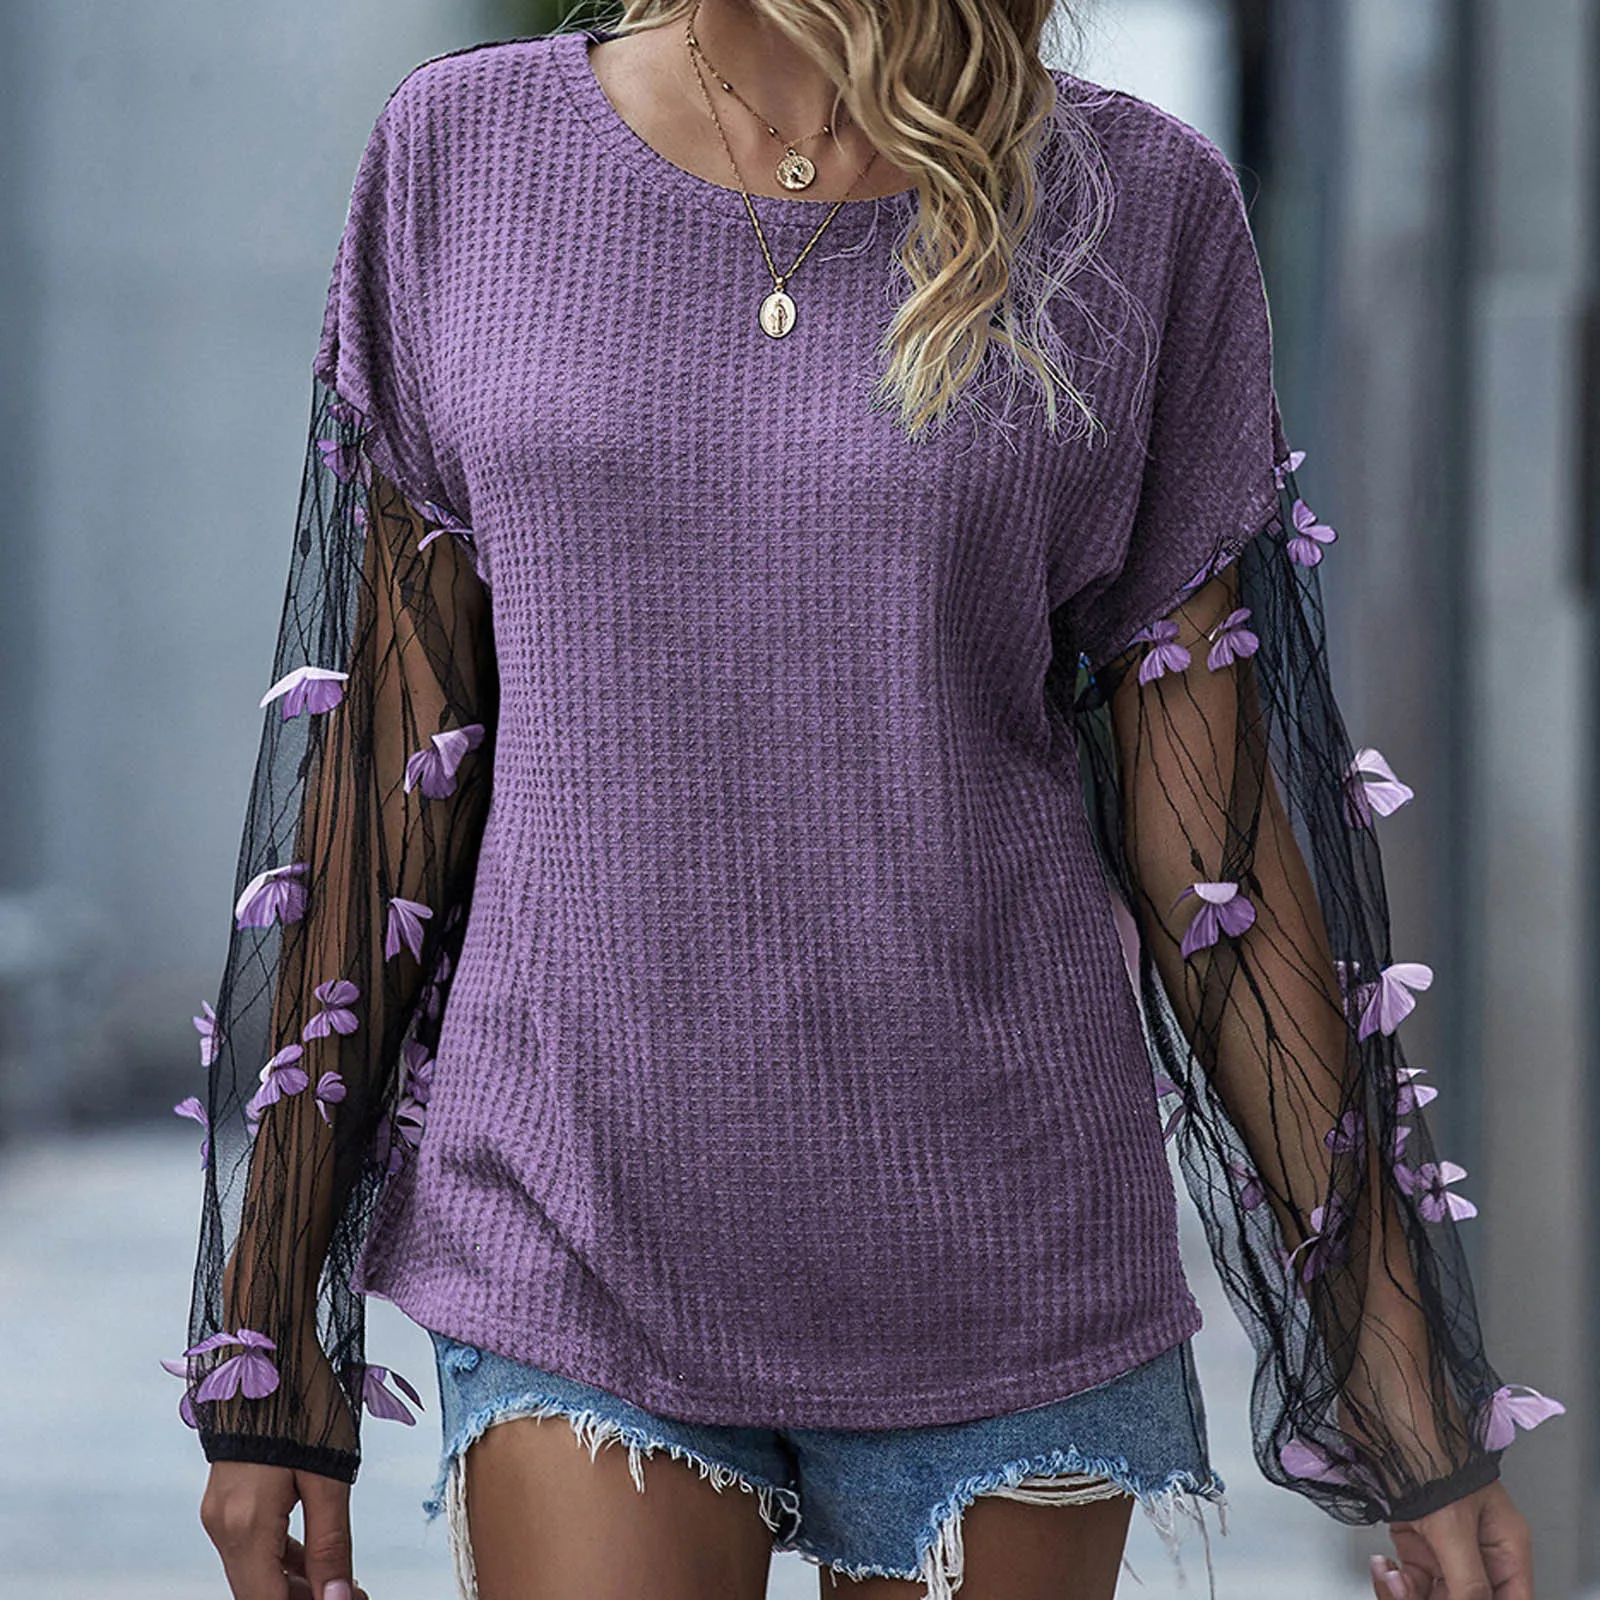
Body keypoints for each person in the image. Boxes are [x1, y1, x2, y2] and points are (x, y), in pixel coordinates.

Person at [169, 2, 1563, 1597]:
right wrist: (268, 1333)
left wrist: (1403, 1383)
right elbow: (383, 771)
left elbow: (1217, 851)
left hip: (1004, 1251)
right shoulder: (461, 154)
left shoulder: (1139, 205)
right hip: (571, 1221)